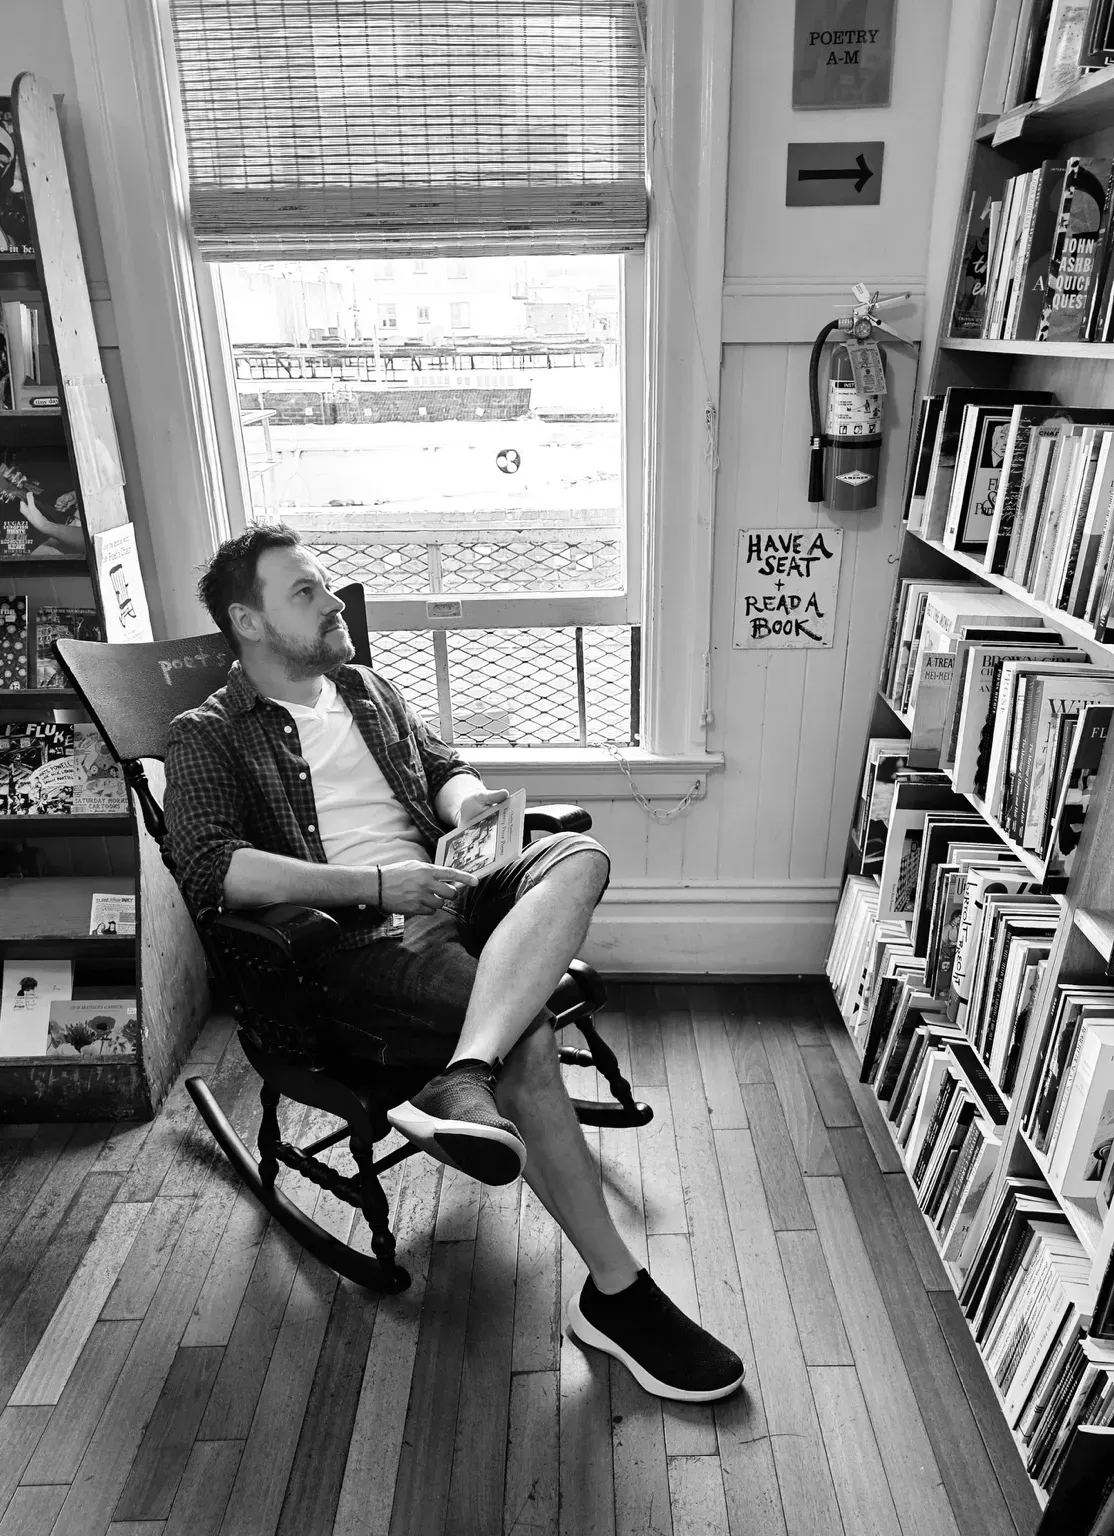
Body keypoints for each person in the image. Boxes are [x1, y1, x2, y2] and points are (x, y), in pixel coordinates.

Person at [163, 524, 745, 1403]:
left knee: (574, 857)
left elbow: (441, 767)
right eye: (306, 593)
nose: (333, 603)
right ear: (247, 621)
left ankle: (462, 1072)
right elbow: (211, 867)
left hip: (450, 891)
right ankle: (617, 1295)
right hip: (352, 941)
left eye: (326, 586)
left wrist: (476, 811)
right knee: (532, 1037)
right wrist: (378, 884)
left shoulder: (363, 688)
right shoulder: (208, 735)